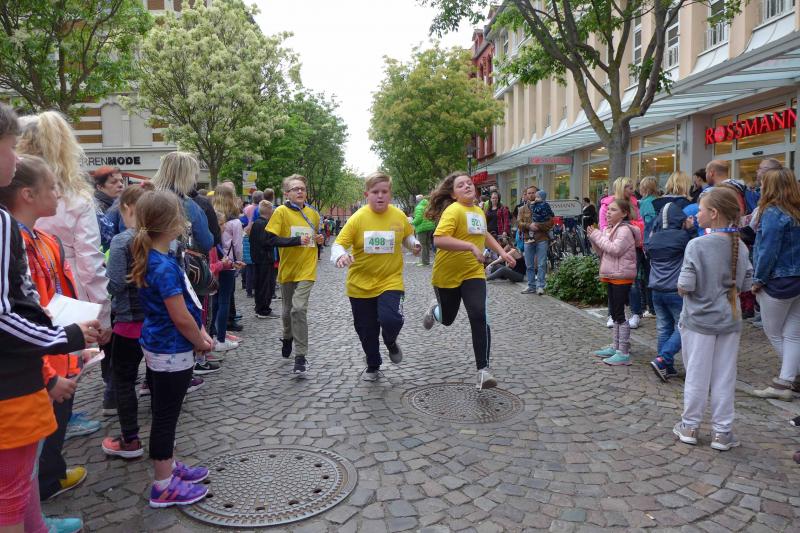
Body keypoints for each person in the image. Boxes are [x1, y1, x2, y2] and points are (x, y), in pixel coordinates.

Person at [0, 103, 100, 533]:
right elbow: (9, 315)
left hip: (34, 360)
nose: (15, 155)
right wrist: (65, 340)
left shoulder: (35, 235)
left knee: (21, 475)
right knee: (14, 484)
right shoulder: (9, 229)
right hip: (22, 374)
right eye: (9, 146)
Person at [17, 110, 113, 426]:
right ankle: (59, 420)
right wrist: (103, 313)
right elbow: (90, 260)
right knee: (65, 355)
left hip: (29, 285)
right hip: (64, 287)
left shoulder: (17, 195)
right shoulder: (74, 197)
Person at [129, 190, 213, 507]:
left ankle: (171, 467)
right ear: (171, 224)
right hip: (171, 350)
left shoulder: (158, 258)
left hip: (163, 346)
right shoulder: (162, 266)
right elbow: (180, 316)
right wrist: (200, 341)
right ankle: (163, 485)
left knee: (167, 413)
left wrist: (199, 333)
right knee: (166, 416)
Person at [673, 187, 752, 451]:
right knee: (724, 377)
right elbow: (746, 284)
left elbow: (685, 285)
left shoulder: (697, 245)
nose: (697, 214)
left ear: (714, 213)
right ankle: (722, 432)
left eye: (701, 210)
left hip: (698, 320)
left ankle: (690, 426)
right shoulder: (741, 246)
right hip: (729, 319)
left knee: (696, 375)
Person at [421, 171, 516, 389]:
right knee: (447, 319)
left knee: (479, 314)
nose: (467, 186)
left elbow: (484, 235)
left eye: (469, 183)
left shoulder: (478, 211)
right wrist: (470, 246)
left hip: (473, 273)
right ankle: (435, 309)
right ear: (453, 194)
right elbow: (439, 240)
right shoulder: (453, 210)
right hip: (447, 275)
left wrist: (503, 253)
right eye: (461, 185)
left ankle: (483, 371)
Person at [332, 172, 420, 380]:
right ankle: (373, 363)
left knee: (392, 319)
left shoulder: (398, 215)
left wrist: (414, 244)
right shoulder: (357, 219)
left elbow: (406, 235)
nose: (380, 196)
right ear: (367, 194)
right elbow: (338, 244)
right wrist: (341, 256)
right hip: (360, 285)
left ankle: (390, 341)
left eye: (384, 192)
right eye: (375, 192)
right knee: (366, 330)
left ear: (390, 194)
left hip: (391, 280)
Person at [747, 168, 800, 401]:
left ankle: (788, 379)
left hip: (778, 281)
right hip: (797, 280)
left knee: (775, 332)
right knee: (793, 334)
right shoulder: (796, 212)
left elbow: (767, 250)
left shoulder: (772, 213)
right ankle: (786, 381)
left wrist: (758, 280)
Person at [266, 174, 324, 377]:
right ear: (287, 194)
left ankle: (300, 356)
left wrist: (319, 240)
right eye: (295, 189)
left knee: (298, 309)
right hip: (288, 269)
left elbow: (316, 239)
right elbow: (270, 240)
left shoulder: (313, 214)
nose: (300, 191)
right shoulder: (280, 212)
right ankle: (287, 336)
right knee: (286, 312)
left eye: (302, 189)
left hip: (307, 268)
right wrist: (296, 241)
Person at [646, 172, 694, 382]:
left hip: (656, 289)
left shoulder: (654, 239)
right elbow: (694, 249)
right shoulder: (683, 237)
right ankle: (663, 359)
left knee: (663, 328)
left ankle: (667, 367)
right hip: (675, 289)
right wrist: (690, 230)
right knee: (684, 326)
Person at [588, 198, 641, 366]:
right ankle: (616, 346)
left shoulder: (624, 230)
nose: (608, 212)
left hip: (621, 276)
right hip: (612, 274)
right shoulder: (609, 229)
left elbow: (615, 250)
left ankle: (623, 352)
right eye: (608, 209)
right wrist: (593, 238)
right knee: (615, 312)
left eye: (613, 210)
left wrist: (597, 235)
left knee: (618, 313)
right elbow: (602, 252)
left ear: (624, 213)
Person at [211, 185, 245, 352]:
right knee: (224, 301)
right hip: (228, 263)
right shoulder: (235, 221)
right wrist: (238, 262)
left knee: (214, 301)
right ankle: (221, 338)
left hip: (213, 261)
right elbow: (237, 246)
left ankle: (212, 334)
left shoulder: (212, 217)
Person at [518, 188, 554, 295]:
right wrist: (529, 226)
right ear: (526, 195)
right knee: (529, 265)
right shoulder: (522, 209)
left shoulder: (545, 206)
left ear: (537, 193)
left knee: (541, 264)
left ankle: (541, 286)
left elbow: (550, 223)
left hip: (542, 238)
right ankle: (531, 286)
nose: (531, 195)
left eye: (533, 193)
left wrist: (538, 226)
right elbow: (519, 224)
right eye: (528, 193)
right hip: (528, 239)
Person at [249, 200, 279, 319]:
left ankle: (260, 308)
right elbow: (267, 242)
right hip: (265, 259)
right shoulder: (264, 224)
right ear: (269, 211)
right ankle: (263, 310)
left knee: (260, 285)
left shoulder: (256, 223)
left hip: (258, 259)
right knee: (266, 286)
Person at [636, 176, 659, 319]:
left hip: (648, 242)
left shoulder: (644, 203)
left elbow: (646, 225)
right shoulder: (658, 201)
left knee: (647, 276)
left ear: (644, 188)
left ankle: (652, 308)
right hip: (659, 241)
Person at [412, 194, 436, 266]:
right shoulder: (428, 206)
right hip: (430, 227)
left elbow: (418, 219)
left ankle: (424, 262)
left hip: (422, 228)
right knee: (427, 244)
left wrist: (412, 222)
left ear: (418, 200)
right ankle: (427, 261)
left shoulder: (419, 207)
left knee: (422, 245)